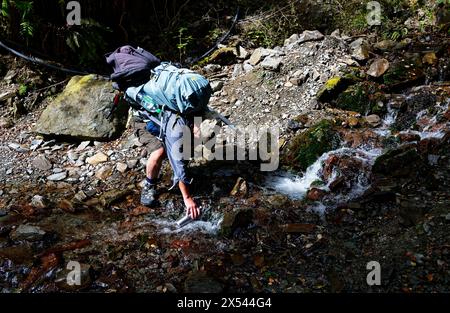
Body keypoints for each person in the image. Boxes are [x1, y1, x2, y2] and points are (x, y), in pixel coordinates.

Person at [138, 108, 202, 220]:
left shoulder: (193, 111)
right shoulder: (177, 129)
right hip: (145, 120)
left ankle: (178, 178)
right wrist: (186, 197)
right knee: (160, 151)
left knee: (184, 146)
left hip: (164, 118)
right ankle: (149, 184)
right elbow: (178, 162)